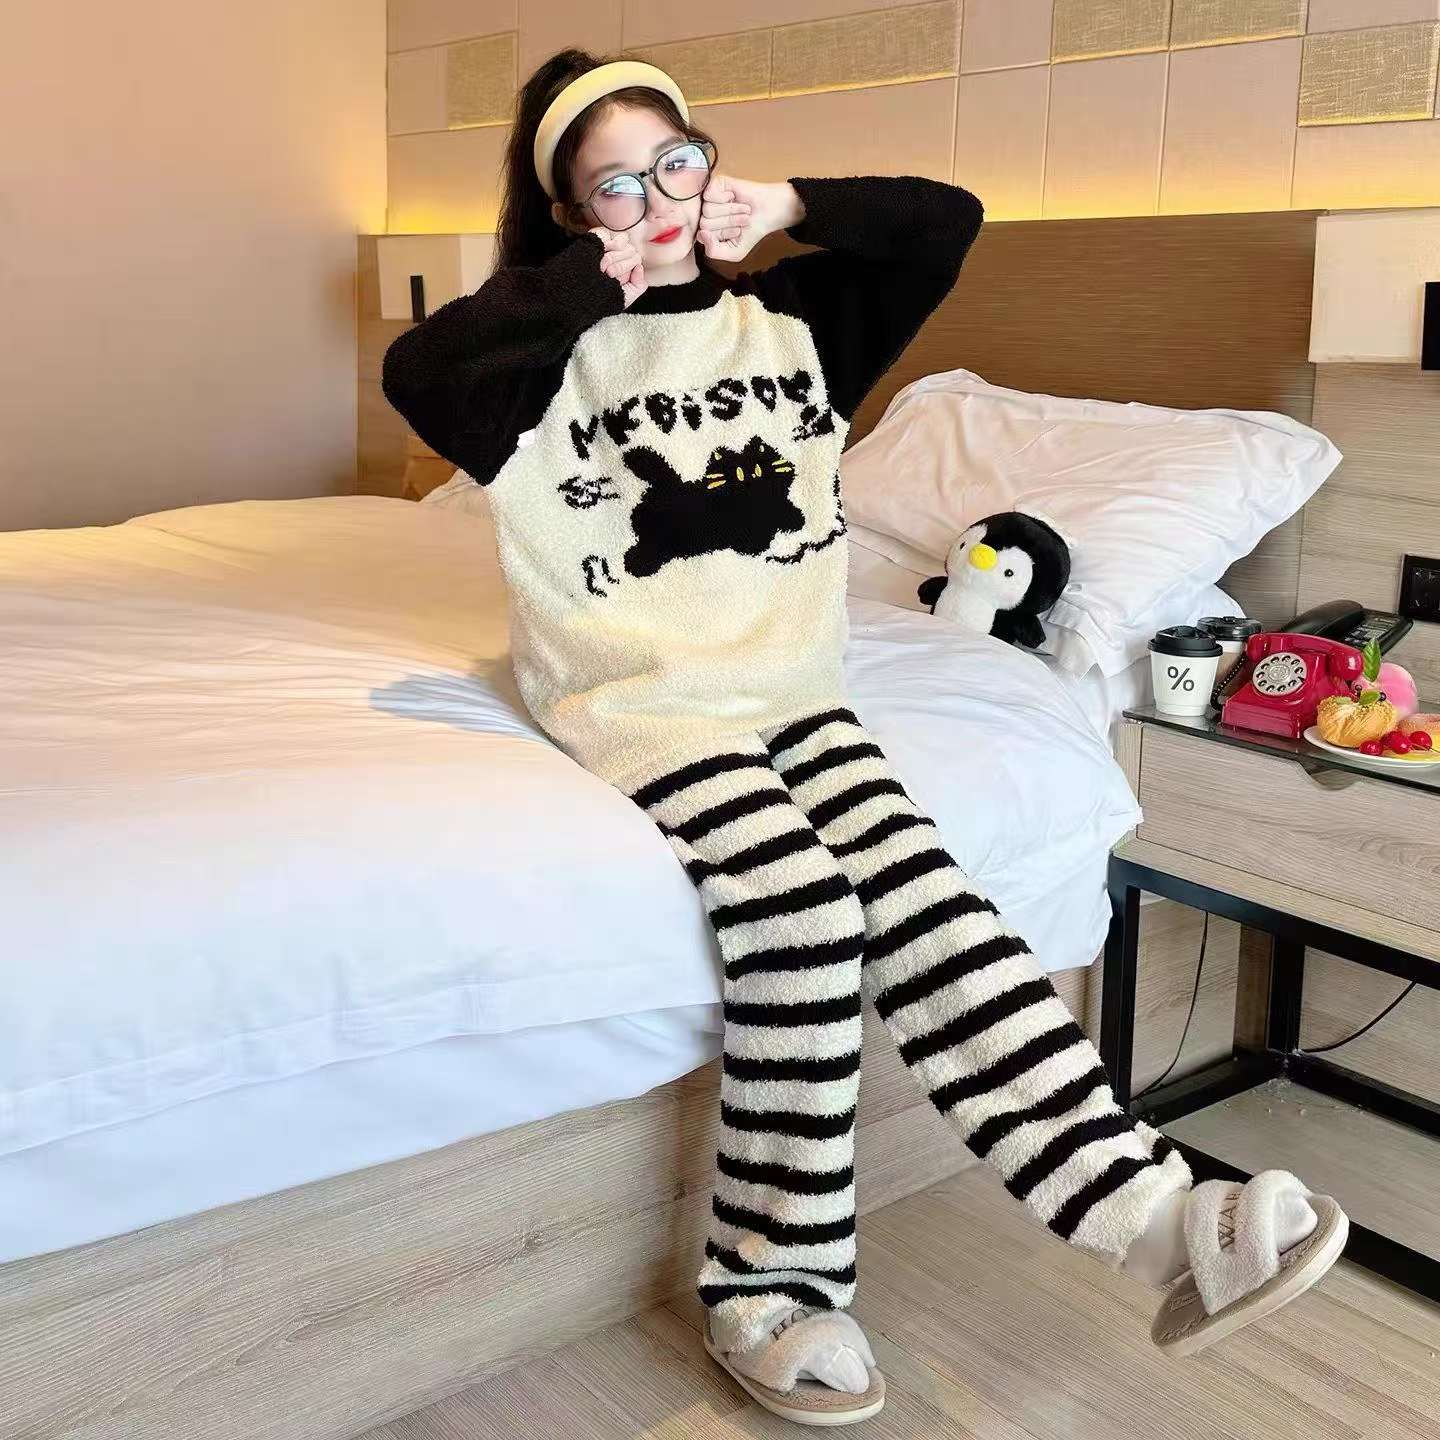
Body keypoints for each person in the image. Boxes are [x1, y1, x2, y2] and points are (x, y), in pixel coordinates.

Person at [381, 49, 1349, 1428]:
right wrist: (594, 272)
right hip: (641, 700)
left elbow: (943, 222)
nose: (659, 198)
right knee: (801, 912)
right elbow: (419, 370)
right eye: (615, 185)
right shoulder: (536, 369)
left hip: (797, 691)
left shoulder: (796, 325)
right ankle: (769, 1286)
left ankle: (1153, 1219)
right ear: (569, 215)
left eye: (676, 163)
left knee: (928, 893)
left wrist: (782, 204)